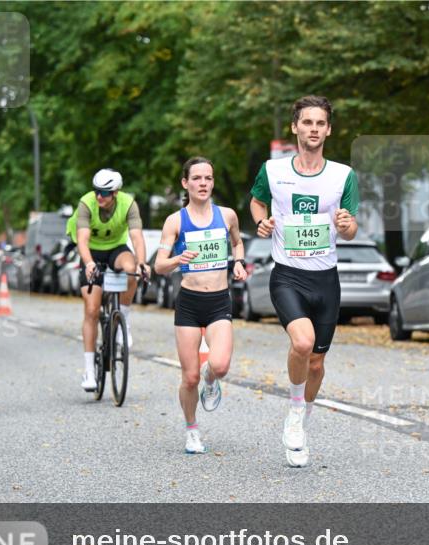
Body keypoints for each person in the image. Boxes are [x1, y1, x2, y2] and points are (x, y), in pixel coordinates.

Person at [250, 95, 359, 467]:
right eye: (306, 122)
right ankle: (295, 413)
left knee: (316, 362)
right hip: (287, 275)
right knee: (303, 342)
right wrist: (261, 221)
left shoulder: (343, 175)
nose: (313, 129)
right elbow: (257, 202)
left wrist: (347, 226)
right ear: (295, 127)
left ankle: (301, 417)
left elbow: (350, 226)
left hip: (326, 279)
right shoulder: (273, 170)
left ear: (328, 129)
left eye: (320, 123)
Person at [154, 157, 247, 454]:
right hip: (190, 303)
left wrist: (239, 263)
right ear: (186, 183)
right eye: (197, 178)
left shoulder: (228, 215)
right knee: (189, 376)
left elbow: (237, 243)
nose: (203, 183)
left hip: (219, 300)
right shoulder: (176, 221)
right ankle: (192, 430)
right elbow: (158, 265)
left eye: (208, 178)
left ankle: (211, 380)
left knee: (218, 366)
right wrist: (176, 260)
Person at [68, 168, 150, 391]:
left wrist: (142, 262)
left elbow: (137, 237)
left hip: (116, 249)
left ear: (115, 192)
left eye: (104, 193)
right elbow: (82, 241)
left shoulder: (128, 204)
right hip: (91, 252)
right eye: (96, 191)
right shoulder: (86, 203)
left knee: (131, 268)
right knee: (92, 310)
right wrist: (89, 263)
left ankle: (124, 319)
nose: (99, 196)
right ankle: (88, 370)